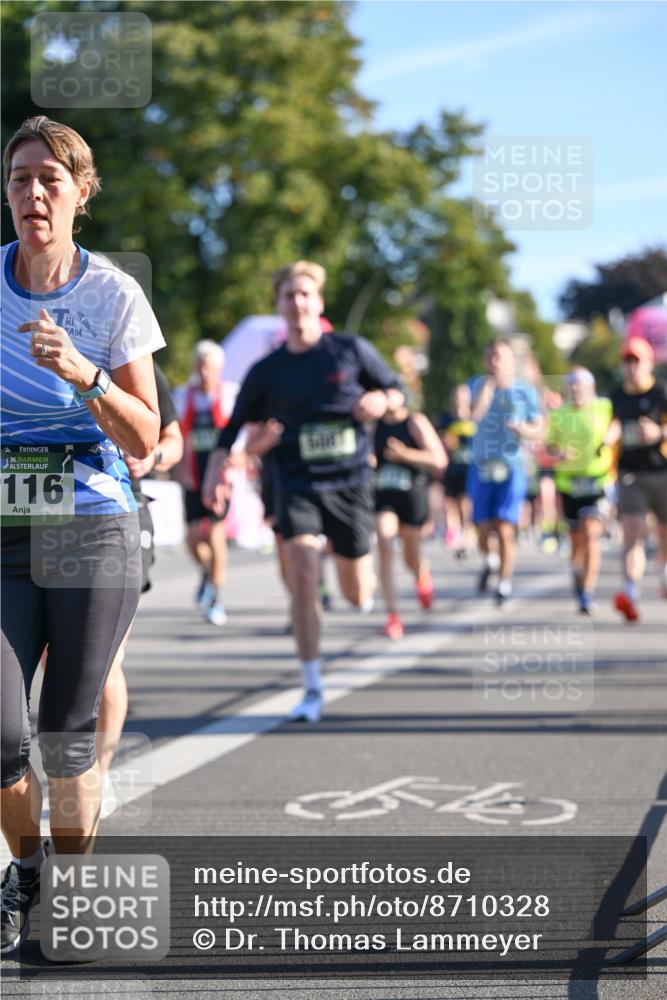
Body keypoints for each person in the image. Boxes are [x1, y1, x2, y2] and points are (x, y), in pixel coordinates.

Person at [1, 116, 164, 952]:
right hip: (2, 532)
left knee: (66, 738)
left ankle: (67, 887)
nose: (34, 193)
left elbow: (144, 437)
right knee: (0, 733)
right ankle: (23, 869)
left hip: (92, 527)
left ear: (80, 193)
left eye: (50, 181)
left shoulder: (111, 296)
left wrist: (85, 374)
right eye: (21, 177)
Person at [203, 260, 404, 722]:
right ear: (279, 306)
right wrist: (217, 471)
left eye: (304, 294)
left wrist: (383, 401)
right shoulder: (267, 370)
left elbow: (398, 392)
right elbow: (228, 430)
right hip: (296, 484)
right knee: (302, 574)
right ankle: (312, 686)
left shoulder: (350, 351)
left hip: (350, 482)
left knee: (356, 594)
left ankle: (357, 577)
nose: (297, 303)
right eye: (288, 295)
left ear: (319, 302)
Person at [96, 359, 183, 814]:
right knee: (56, 661)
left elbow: (173, 440)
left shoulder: (129, 356)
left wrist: (152, 456)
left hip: (121, 512)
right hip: (40, 515)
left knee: (105, 657)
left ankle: (100, 772)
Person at [469, 340, 545, 605]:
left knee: (504, 526)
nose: (494, 362)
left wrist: (525, 430)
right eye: (490, 357)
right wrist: (488, 390)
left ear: (512, 361)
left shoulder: (526, 392)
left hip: (511, 465)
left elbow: (541, 428)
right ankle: (490, 560)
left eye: (499, 357)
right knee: (481, 527)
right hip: (481, 466)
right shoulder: (477, 386)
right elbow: (471, 417)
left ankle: (504, 581)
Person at [604, 336, 667, 620]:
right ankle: (629, 592)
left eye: (636, 361)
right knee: (632, 531)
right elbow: (613, 423)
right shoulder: (616, 396)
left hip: (662, 470)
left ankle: (663, 573)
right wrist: (609, 437)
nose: (631, 367)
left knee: (664, 534)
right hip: (630, 472)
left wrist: (658, 434)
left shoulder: (661, 393)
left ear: (649, 364)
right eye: (626, 361)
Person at [374, 398, 447, 639]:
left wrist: (405, 454)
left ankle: (422, 576)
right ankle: (393, 616)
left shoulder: (414, 422)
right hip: (384, 495)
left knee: (410, 559)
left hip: (412, 495)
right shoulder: (373, 425)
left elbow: (439, 460)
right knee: (384, 543)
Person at [175, 340, 236, 626]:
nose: (205, 371)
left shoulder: (229, 395)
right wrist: (180, 468)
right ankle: (207, 572)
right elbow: (178, 435)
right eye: (200, 365)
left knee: (215, 533)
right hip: (193, 476)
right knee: (192, 539)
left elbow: (239, 435)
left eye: (210, 366)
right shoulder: (183, 396)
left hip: (220, 476)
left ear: (219, 368)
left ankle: (215, 594)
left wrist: (230, 469)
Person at [547, 368, 613, 614]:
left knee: (591, 533)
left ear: (591, 388)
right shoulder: (559, 414)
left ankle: (587, 591)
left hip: (597, 479)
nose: (575, 390)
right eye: (571, 386)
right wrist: (559, 453)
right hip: (569, 483)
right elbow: (550, 446)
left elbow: (616, 423)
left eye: (580, 385)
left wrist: (609, 438)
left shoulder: (603, 407)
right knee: (577, 540)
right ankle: (577, 572)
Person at [438, 384, 475, 558]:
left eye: (463, 396)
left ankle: (468, 531)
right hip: (451, 467)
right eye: (457, 396)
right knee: (449, 502)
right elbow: (441, 440)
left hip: (469, 468)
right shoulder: (446, 418)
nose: (459, 400)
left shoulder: (475, 417)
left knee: (464, 503)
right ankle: (453, 535)